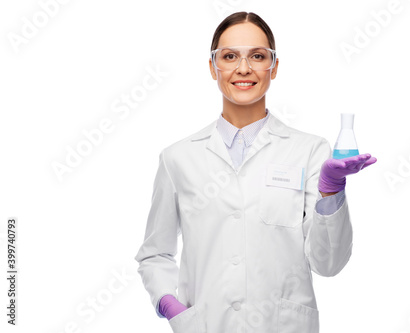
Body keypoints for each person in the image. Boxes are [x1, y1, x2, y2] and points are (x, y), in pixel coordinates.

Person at [134, 11, 376, 333]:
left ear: (273, 67)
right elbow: (155, 253)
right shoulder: (178, 158)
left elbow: (328, 264)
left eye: (257, 56)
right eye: (230, 56)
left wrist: (331, 192)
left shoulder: (308, 150)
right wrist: (169, 303)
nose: (244, 68)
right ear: (212, 67)